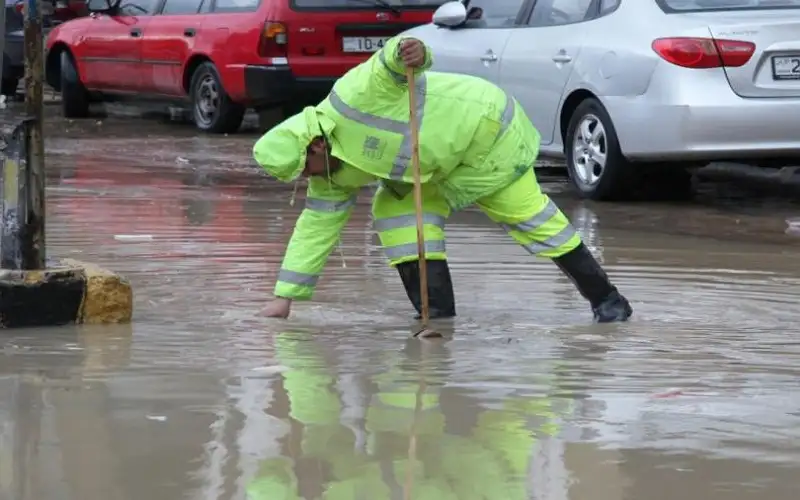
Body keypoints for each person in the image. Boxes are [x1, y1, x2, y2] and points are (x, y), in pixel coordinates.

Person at [253, 35, 632, 323]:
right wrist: (284, 298)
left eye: (305, 170)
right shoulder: (329, 177)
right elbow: (314, 229)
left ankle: (609, 303)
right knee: (397, 214)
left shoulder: (351, 96)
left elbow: (388, 60)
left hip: (487, 136)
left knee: (532, 218)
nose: (307, 179)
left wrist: (411, 50)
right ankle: (437, 317)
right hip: (434, 168)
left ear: (315, 145)